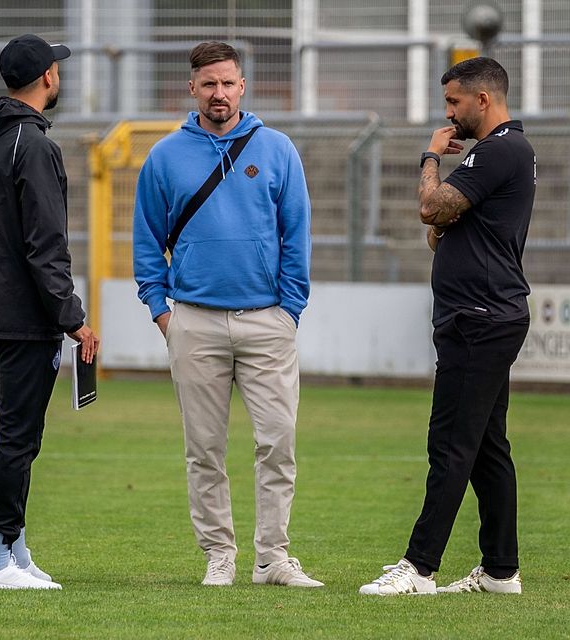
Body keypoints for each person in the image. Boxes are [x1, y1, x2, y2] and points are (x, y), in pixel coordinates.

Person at [133, 41, 321, 588]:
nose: (220, 93)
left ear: (243, 86)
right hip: (193, 321)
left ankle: (272, 559)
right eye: (209, 83)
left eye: (229, 83)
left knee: (278, 443)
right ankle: (220, 554)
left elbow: (297, 235)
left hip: (268, 322)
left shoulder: (278, 148)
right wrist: (159, 310)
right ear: (192, 88)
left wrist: (289, 310)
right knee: (204, 449)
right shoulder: (165, 156)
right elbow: (146, 240)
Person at [359, 57, 535, 596]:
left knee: (451, 443)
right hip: (480, 313)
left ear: (483, 99)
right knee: (485, 446)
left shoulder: (500, 149)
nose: (448, 114)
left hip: (480, 316)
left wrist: (430, 157)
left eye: (454, 102)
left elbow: (431, 210)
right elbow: (442, 231)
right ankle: (501, 570)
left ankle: (419, 567)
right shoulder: (499, 151)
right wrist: (443, 217)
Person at [0, 33, 100, 590]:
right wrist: (73, 316)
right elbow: (46, 245)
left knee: (17, 434)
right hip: (24, 318)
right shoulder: (33, 145)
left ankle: (15, 549)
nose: (59, 76)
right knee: (19, 438)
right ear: (46, 77)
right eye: (57, 68)